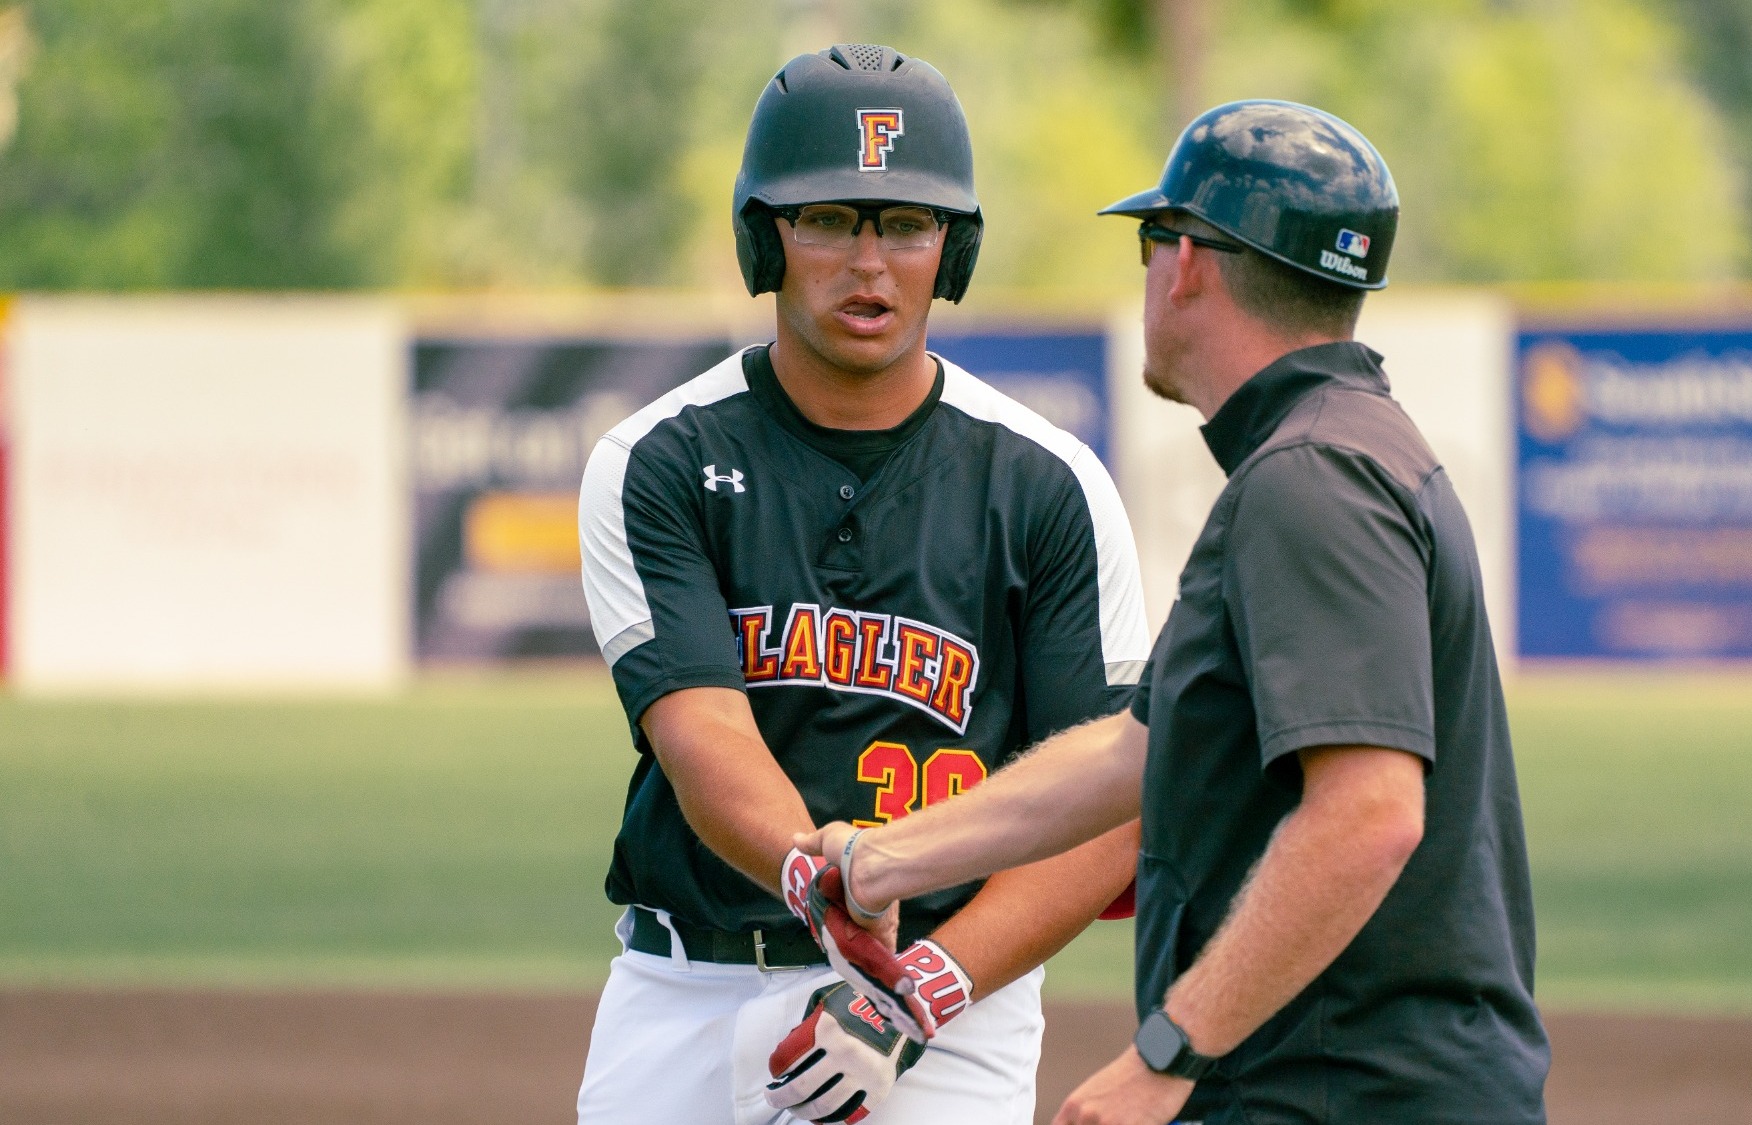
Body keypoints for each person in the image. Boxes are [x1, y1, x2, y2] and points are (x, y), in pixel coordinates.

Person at [798, 100, 1551, 1125]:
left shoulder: (1308, 476)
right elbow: (1132, 754)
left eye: (1151, 241)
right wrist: (889, 856)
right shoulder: (1332, 449)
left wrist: (1166, 1053)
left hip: (1341, 1090)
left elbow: (1369, 814)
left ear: (1187, 261)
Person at [573, 44, 1151, 1125]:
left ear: (953, 249)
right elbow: (704, 742)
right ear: (765, 239)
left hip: (949, 1003)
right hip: (684, 992)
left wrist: (912, 995)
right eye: (827, 220)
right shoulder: (656, 460)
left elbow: (1110, 804)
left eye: (906, 224)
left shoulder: (1046, 484)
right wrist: (818, 879)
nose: (869, 263)